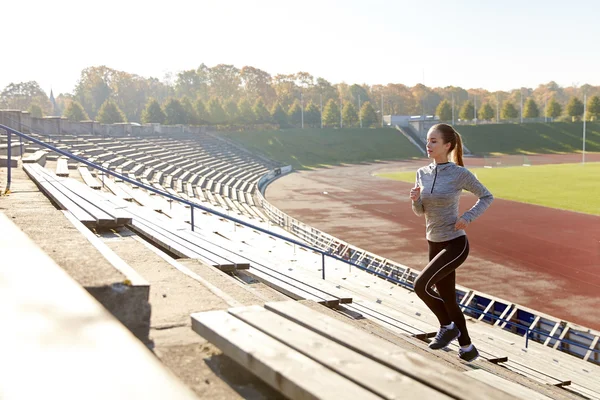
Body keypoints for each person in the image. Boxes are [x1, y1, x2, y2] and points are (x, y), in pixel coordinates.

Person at [409, 123, 493, 362]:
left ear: (447, 145)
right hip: (433, 242)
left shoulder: (459, 174)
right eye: (428, 141)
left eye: (434, 141)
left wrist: (467, 216)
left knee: (420, 285)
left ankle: (447, 326)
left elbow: (487, 196)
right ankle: (467, 348)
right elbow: (420, 212)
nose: (428, 145)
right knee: (448, 300)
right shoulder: (421, 173)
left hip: (454, 244)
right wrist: (415, 201)